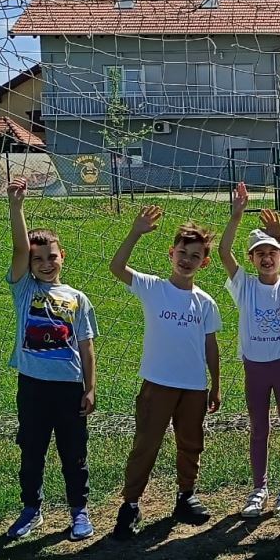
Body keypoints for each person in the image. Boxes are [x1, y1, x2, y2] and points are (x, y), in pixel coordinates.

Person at [108, 206, 222, 539]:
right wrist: (135, 232)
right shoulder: (153, 287)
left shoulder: (205, 302)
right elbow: (117, 267)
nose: (187, 260)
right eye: (182, 253)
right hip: (157, 384)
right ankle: (130, 504)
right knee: (146, 444)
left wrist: (215, 385)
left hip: (194, 388)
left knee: (191, 443)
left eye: (195, 256)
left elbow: (211, 346)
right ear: (171, 254)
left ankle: (186, 496)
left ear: (205, 263)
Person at [4, 179, 97, 541]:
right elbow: (18, 247)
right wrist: (17, 208)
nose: (45, 264)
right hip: (32, 386)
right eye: (37, 259)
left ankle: (79, 510)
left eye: (51, 257)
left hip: (69, 387)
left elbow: (86, 345)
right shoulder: (24, 289)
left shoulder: (77, 298)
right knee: (32, 451)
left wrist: (90, 388)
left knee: (74, 453)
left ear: (63, 257)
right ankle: (32, 509)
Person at [220, 182, 280, 518]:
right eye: (259, 253)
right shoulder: (244, 286)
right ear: (251, 259)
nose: (266, 258)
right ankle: (258, 488)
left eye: (272, 253)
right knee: (258, 427)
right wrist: (236, 216)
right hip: (255, 366)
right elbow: (223, 253)